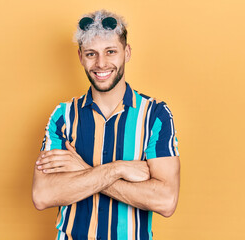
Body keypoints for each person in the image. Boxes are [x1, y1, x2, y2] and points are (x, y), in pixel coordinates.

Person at [32, 9, 180, 240]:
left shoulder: (155, 115)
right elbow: (43, 195)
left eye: (110, 51)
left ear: (127, 52)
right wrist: (118, 169)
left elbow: (165, 200)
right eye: (91, 54)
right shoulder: (63, 116)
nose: (101, 64)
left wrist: (82, 170)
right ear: (80, 56)